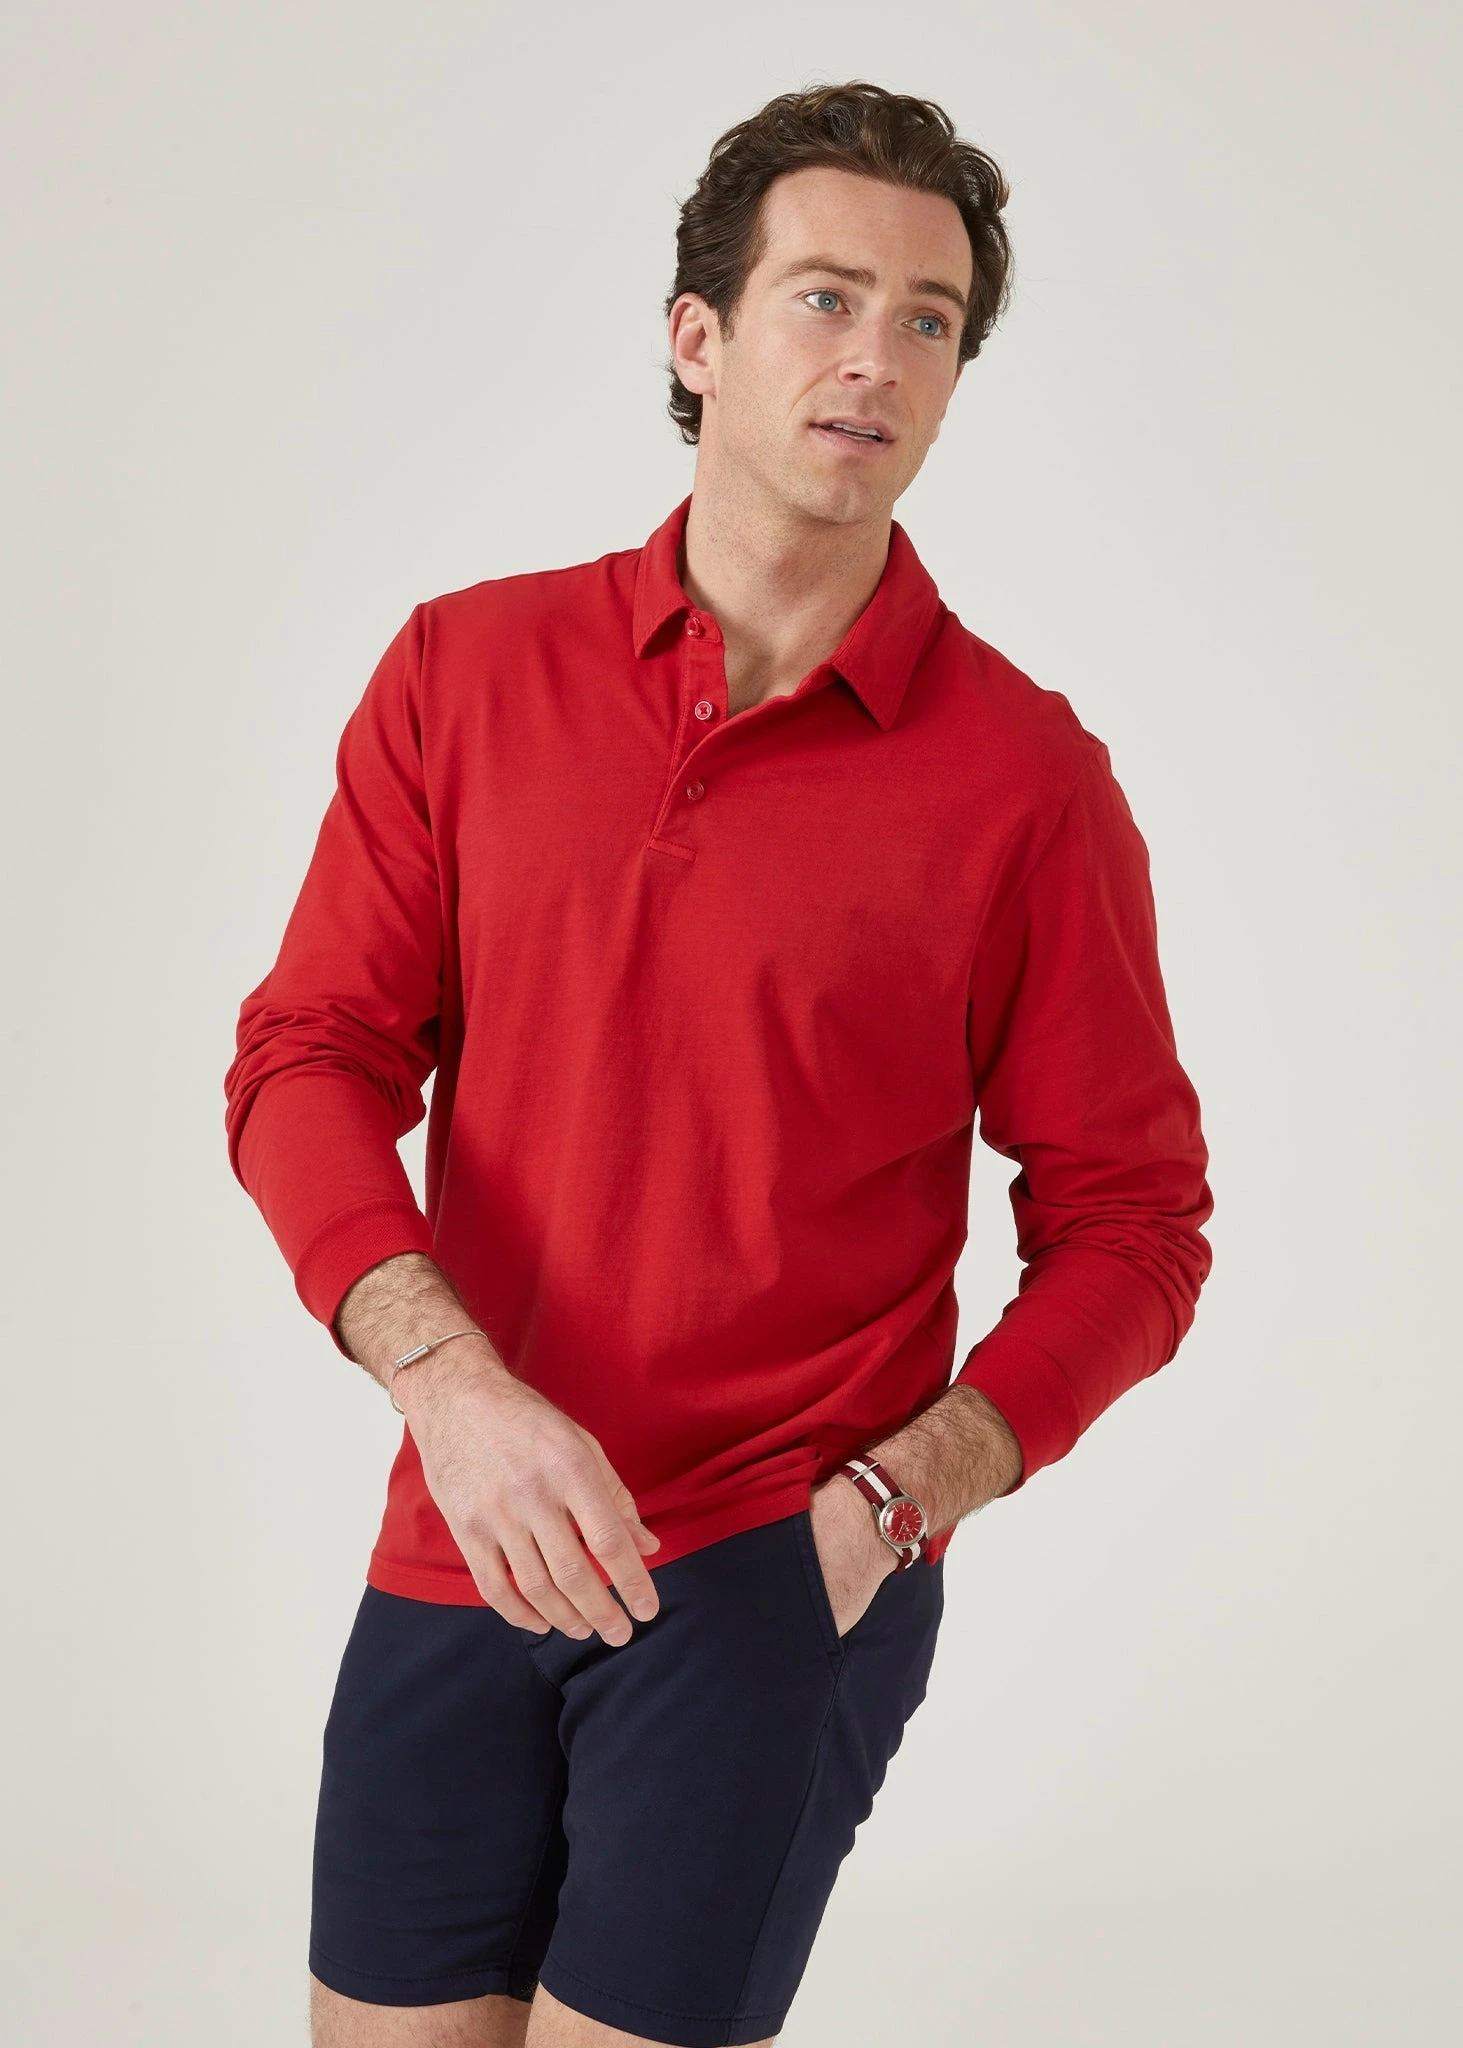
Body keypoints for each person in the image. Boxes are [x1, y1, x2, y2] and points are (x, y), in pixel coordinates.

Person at [224, 79, 1213, 2048]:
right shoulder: (464, 674)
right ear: (698, 335)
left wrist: (898, 1499)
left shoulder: (1023, 780)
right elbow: (308, 1055)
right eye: (824, 296)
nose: (875, 358)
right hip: (468, 1525)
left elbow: (1134, 1223)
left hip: (773, 1575)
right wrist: (446, 1387)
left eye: (927, 319)